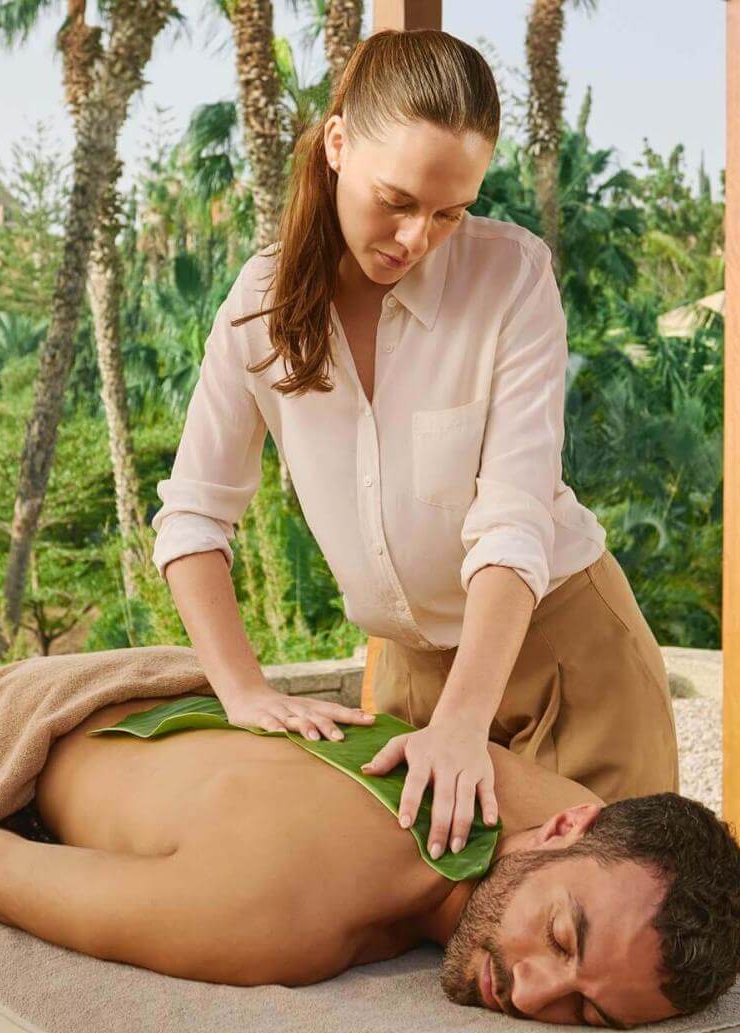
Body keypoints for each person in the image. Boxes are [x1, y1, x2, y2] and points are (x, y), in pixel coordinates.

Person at [152, 28, 679, 868]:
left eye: (449, 211)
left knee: (598, 924)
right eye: (395, 199)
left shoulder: (510, 276)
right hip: (405, 675)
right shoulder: (256, 306)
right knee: (423, 951)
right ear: (335, 145)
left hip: (567, 655)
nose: (414, 236)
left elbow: (513, 520)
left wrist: (465, 725)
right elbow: (191, 519)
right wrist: (243, 690)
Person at [0, 696, 740, 1026]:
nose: (533, 991)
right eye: (562, 939)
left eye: (589, 1016)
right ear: (564, 827)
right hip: (71, 716)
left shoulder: (578, 822)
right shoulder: (269, 917)